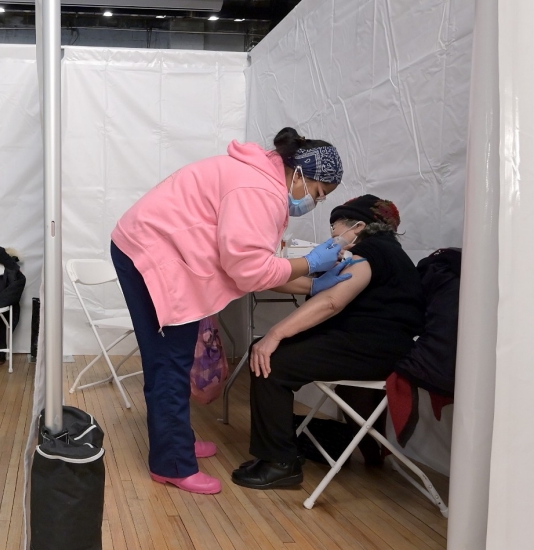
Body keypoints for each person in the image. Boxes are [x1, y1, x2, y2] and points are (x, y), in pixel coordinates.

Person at [110, 128, 348, 495]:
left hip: (158, 247)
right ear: (299, 173)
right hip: (150, 255)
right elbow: (251, 270)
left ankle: (177, 441)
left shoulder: (261, 175)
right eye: (318, 193)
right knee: (168, 362)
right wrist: (309, 263)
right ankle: (172, 463)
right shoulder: (259, 190)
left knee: (174, 358)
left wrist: (312, 279)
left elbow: (254, 264)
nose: (314, 203)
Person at [232, 195, 423, 490]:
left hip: (370, 348)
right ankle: (300, 447)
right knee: (271, 353)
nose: (333, 234)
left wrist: (274, 334)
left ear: (358, 226)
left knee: (272, 359)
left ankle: (279, 463)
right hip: (384, 348)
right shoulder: (392, 255)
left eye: (335, 227)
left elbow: (333, 301)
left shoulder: (369, 251)